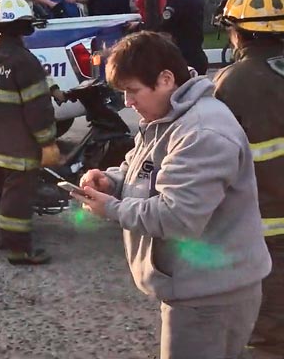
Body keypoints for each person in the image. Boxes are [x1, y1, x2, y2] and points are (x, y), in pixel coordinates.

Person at [75, 32, 270, 359]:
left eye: (132, 91)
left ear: (166, 79)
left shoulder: (201, 133)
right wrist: (112, 181)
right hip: (196, 289)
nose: (128, 102)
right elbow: (143, 169)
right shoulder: (166, 118)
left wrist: (112, 208)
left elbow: (177, 217)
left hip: (211, 298)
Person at [213, 0, 284, 357]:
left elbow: (210, 149)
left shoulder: (233, 81)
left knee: (270, 293)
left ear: (238, 32)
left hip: (267, 214)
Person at [0, 0, 61, 265]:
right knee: (18, 196)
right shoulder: (25, 62)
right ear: (24, 27)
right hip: (21, 144)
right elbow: (38, 109)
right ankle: (19, 249)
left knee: (0, 187)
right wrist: (47, 143)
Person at [163, 0, 208, 75]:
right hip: (197, 56)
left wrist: (140, 26)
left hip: (183, 58)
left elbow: (164, 25)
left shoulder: (177, 3)